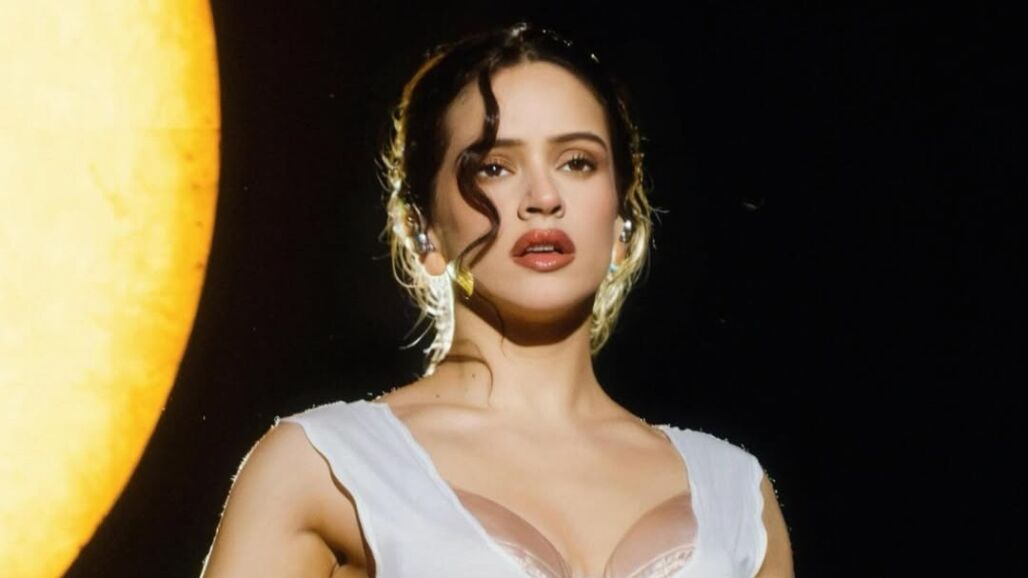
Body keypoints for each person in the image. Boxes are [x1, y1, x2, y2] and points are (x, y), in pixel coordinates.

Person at [201, 22, 793, 578]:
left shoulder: (735, 494)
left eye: (577, 162)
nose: (543, 197)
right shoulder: (323, 468)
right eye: (494, 167)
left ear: (622, 222)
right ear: (422, 232)